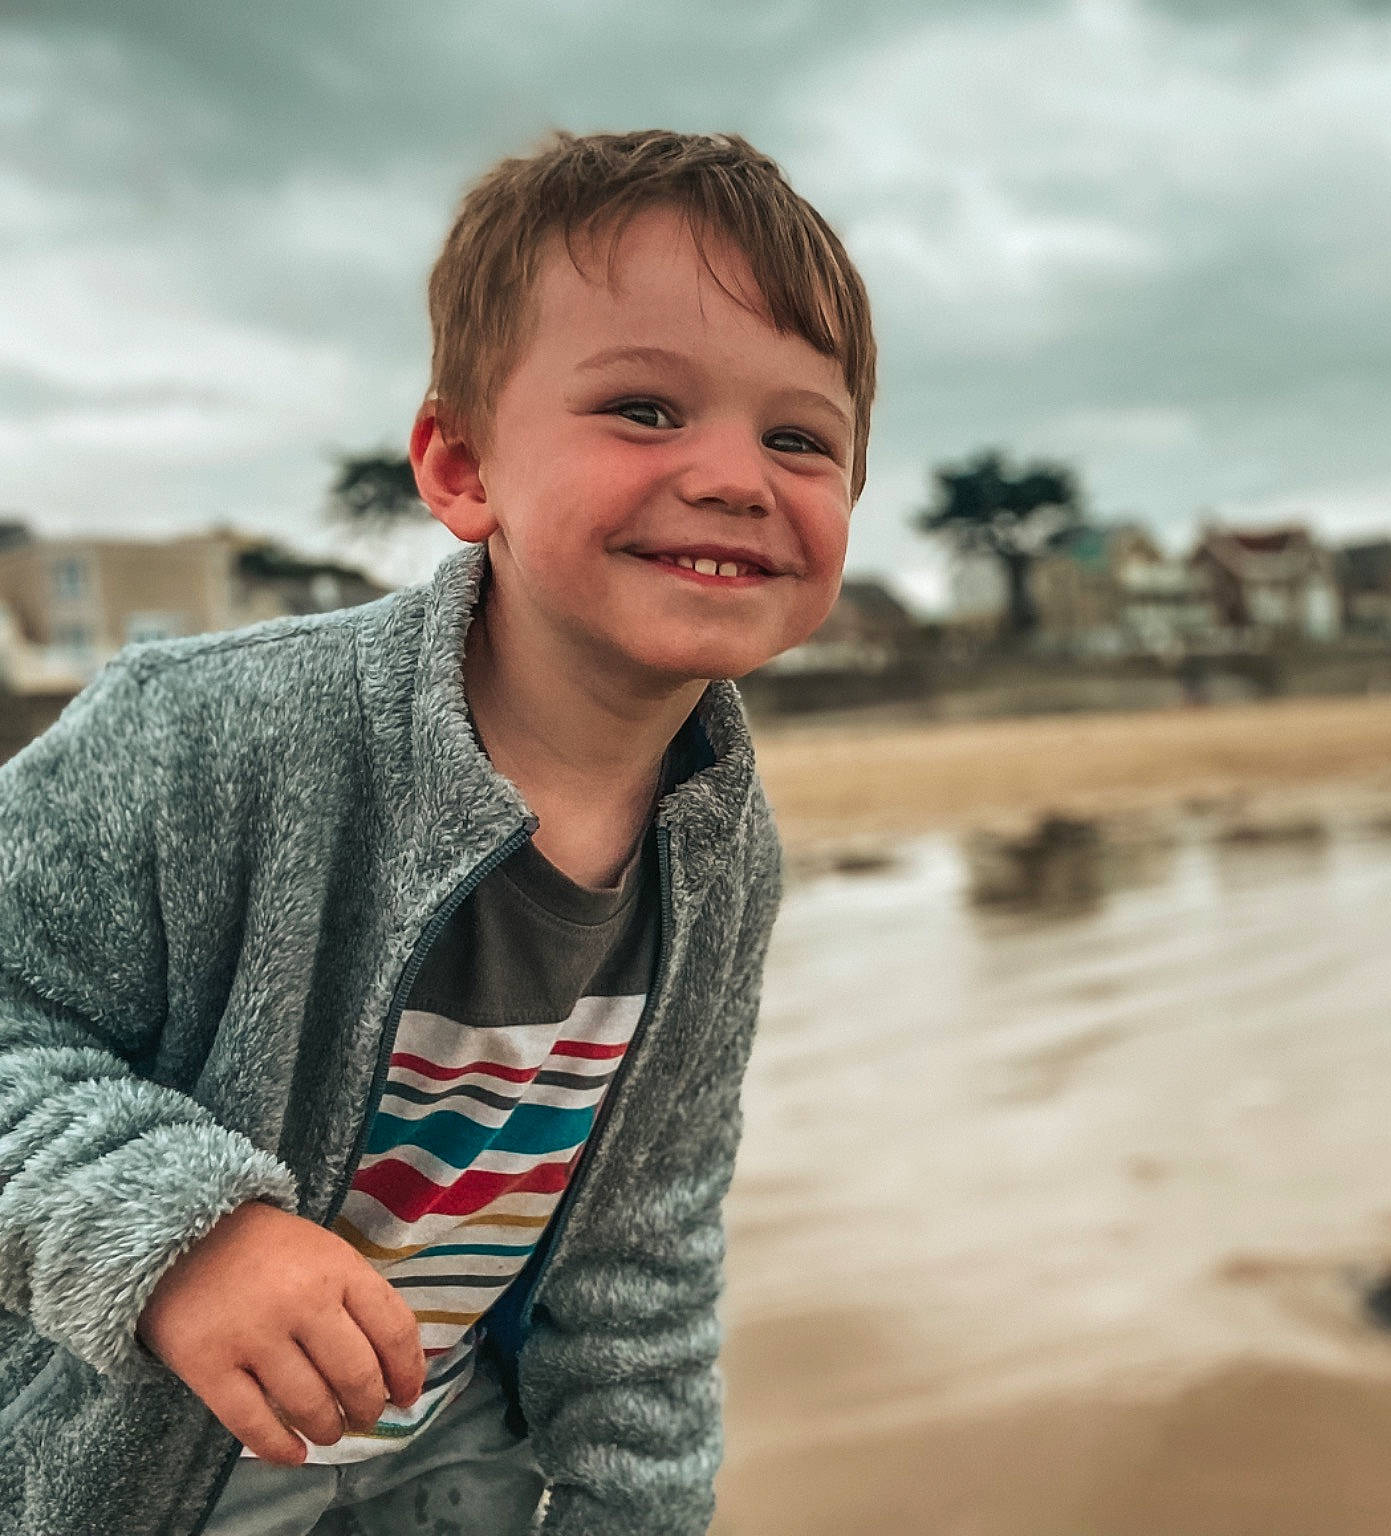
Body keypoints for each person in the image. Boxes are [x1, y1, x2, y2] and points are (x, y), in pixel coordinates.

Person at [0, 129, 875, 1536]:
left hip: (454, 1465)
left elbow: (641, 1256)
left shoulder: (721, 847)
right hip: (141, 1474)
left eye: (798, 437)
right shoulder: (208, 733)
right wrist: (181, 1239)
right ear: (462, 467)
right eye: (646, 410)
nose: (732, 475)